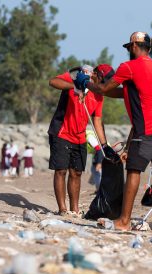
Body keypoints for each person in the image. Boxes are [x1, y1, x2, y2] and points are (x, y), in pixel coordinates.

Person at [75, 32, 152, 231]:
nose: (128, 51)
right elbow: (120, 92)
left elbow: (104, 89)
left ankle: (124, 221)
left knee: (133, 171)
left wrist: (85, 83)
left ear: (134, 47)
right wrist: (97, 87)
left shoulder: (128, 67)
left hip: (147, 128)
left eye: (129, 47)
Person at [48, 63, 113, 216]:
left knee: (76, 172)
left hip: (79, 136)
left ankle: (74, 209)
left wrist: (104, 145)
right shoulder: (76, 76)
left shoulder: (99, 96)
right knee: (61, 171)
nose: (106, 85)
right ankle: (62, 209)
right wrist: (74, 86)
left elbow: (97, 121)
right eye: (105, 81)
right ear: (96, 74)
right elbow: (53, 82)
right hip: (61, 132)